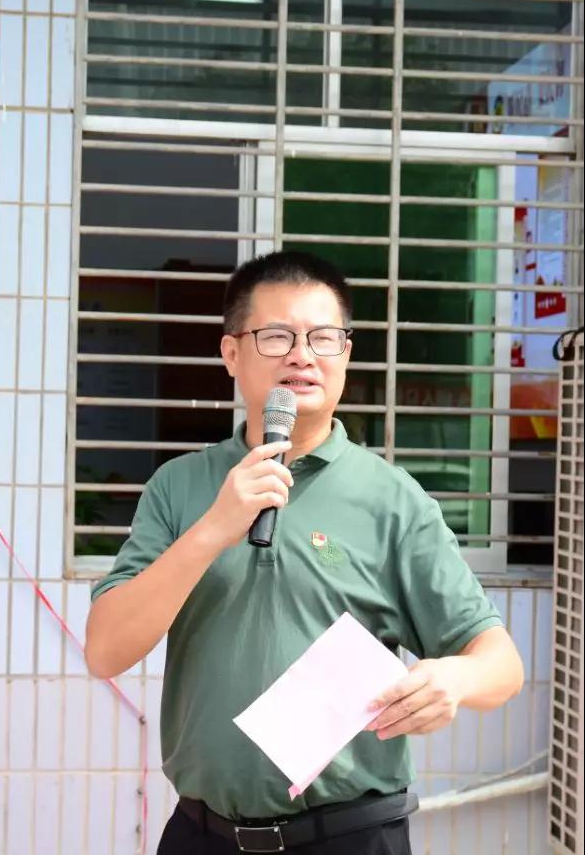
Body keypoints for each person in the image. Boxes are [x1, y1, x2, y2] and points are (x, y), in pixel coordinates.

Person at [84, 251, 525, 854]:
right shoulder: (179, 486)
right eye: (276, 336)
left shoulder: (392, 500)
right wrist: (213, 529)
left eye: (323, 337)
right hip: (202, 834)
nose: (302, 355)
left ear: (345, 352)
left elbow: (501, 664)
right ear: (231, 353)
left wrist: (456, 677)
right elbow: (105, 650)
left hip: (349, 836)